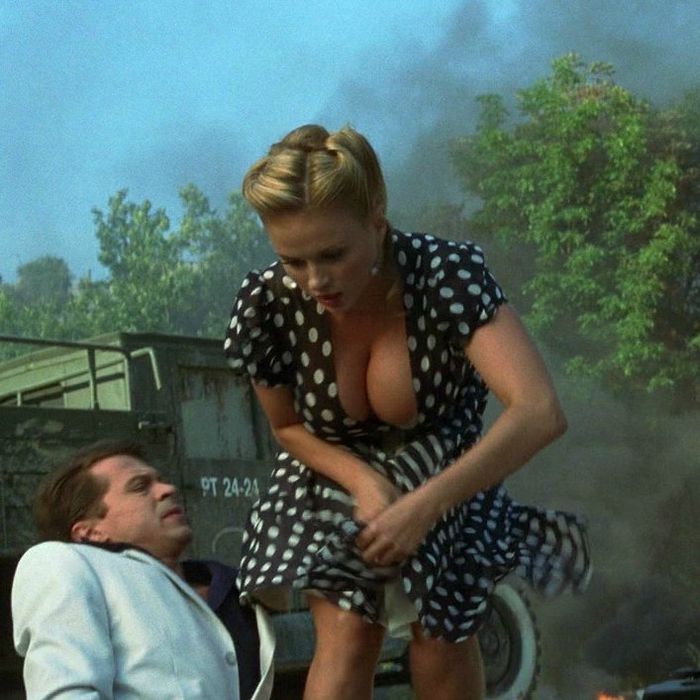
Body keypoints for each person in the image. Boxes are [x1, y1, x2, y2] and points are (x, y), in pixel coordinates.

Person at [224, 123, 591, 700]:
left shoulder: (445, 275)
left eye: (333, 255)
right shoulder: (268, 303)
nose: (315, 280)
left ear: (377, 222)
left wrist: (423, 507)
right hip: (331, 470)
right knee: (347, 633)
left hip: (449, 474)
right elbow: (287, 427)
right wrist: (365, 482)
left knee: (441, 635)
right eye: (292, 260)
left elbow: (539, 410)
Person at [11, 439, 275, 700]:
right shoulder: (64, 563)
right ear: (90, 532)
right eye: (139, 487)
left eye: (160, 480)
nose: (168, 489)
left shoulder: (236, 588)